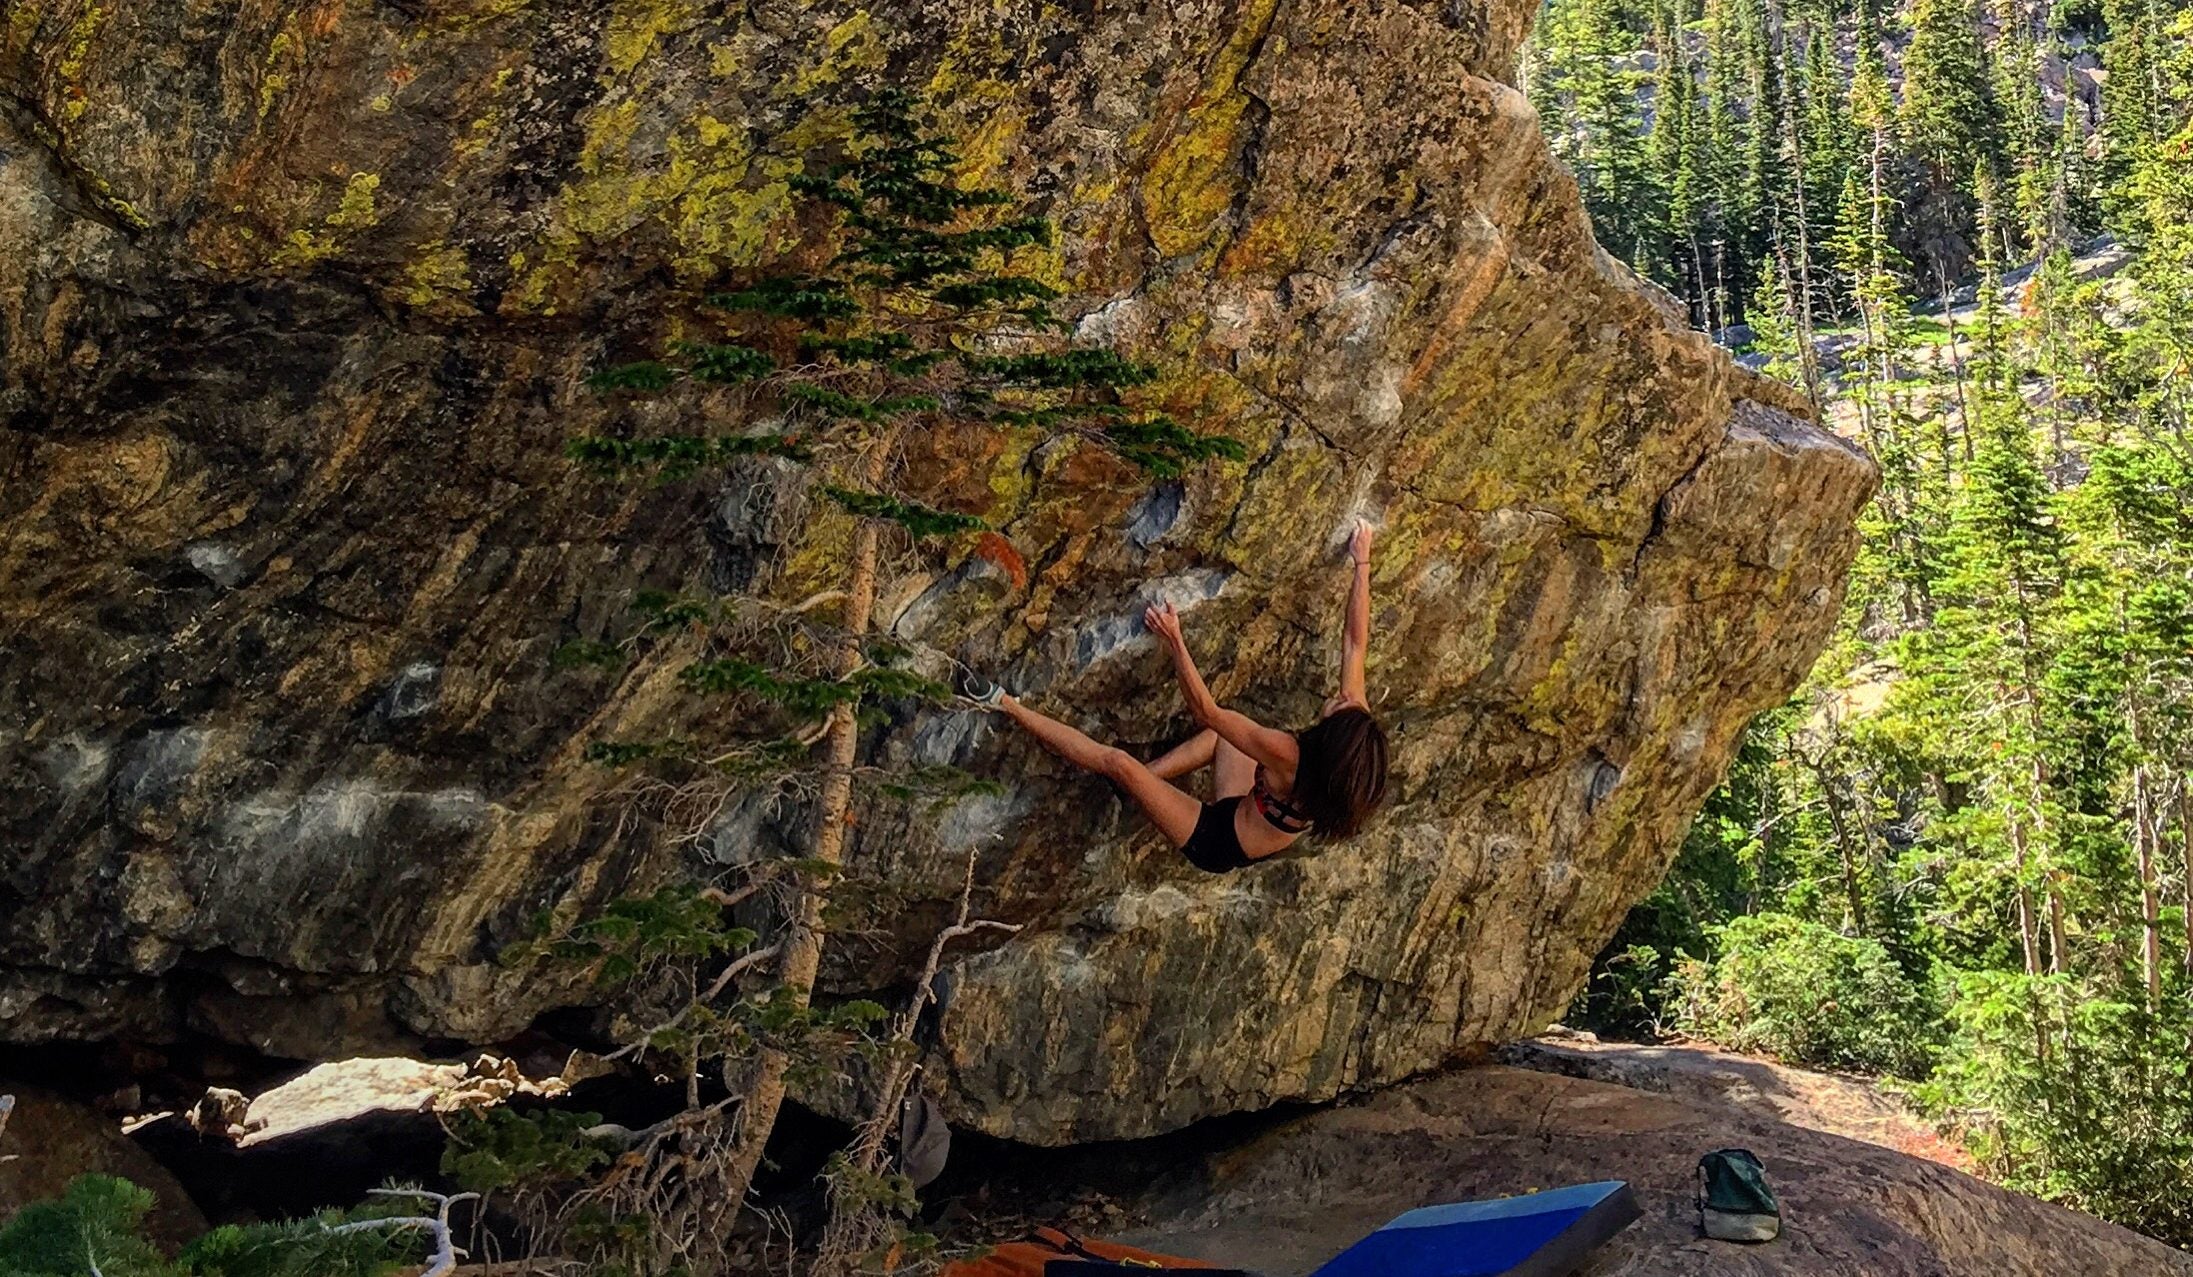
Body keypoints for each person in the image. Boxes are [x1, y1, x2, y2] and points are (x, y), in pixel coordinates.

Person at [968, 520, 1389, 872]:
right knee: (1226, 737)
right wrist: (1362, 563)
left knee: (1118, 763)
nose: (1344, 697)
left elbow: (1205, 709)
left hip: (1217, 839)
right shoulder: (1351, 738)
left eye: (1343, 706)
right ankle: (1147, 781)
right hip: (1251, 809)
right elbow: (1355, 643)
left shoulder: (1288, 755)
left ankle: (1001, 701)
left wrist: (1175, 641)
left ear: (1331, 741)